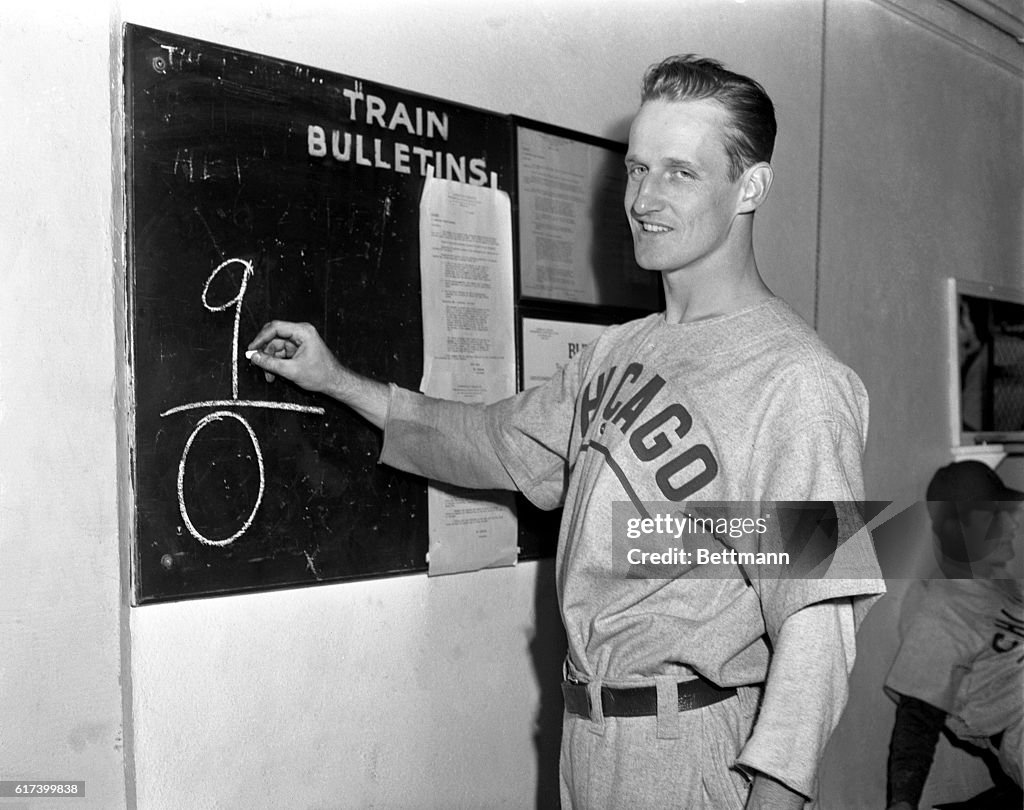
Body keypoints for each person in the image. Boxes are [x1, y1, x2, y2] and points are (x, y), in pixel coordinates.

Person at [247, 55, 885, 809]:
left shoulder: (797, 381)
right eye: (637, 169)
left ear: (750, 186)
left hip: (693, 747)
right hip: (588, 735)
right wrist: (337, 380)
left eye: (679, 172)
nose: (644, 198)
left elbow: (817, 619)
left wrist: (776, 793)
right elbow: (494, 442)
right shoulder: (619, 350)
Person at [885, 461, 1024, 810]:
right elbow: (917, 717)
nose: (1010, 523)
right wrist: (902, 802)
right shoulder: (941, 608)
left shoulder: (1002, 590)